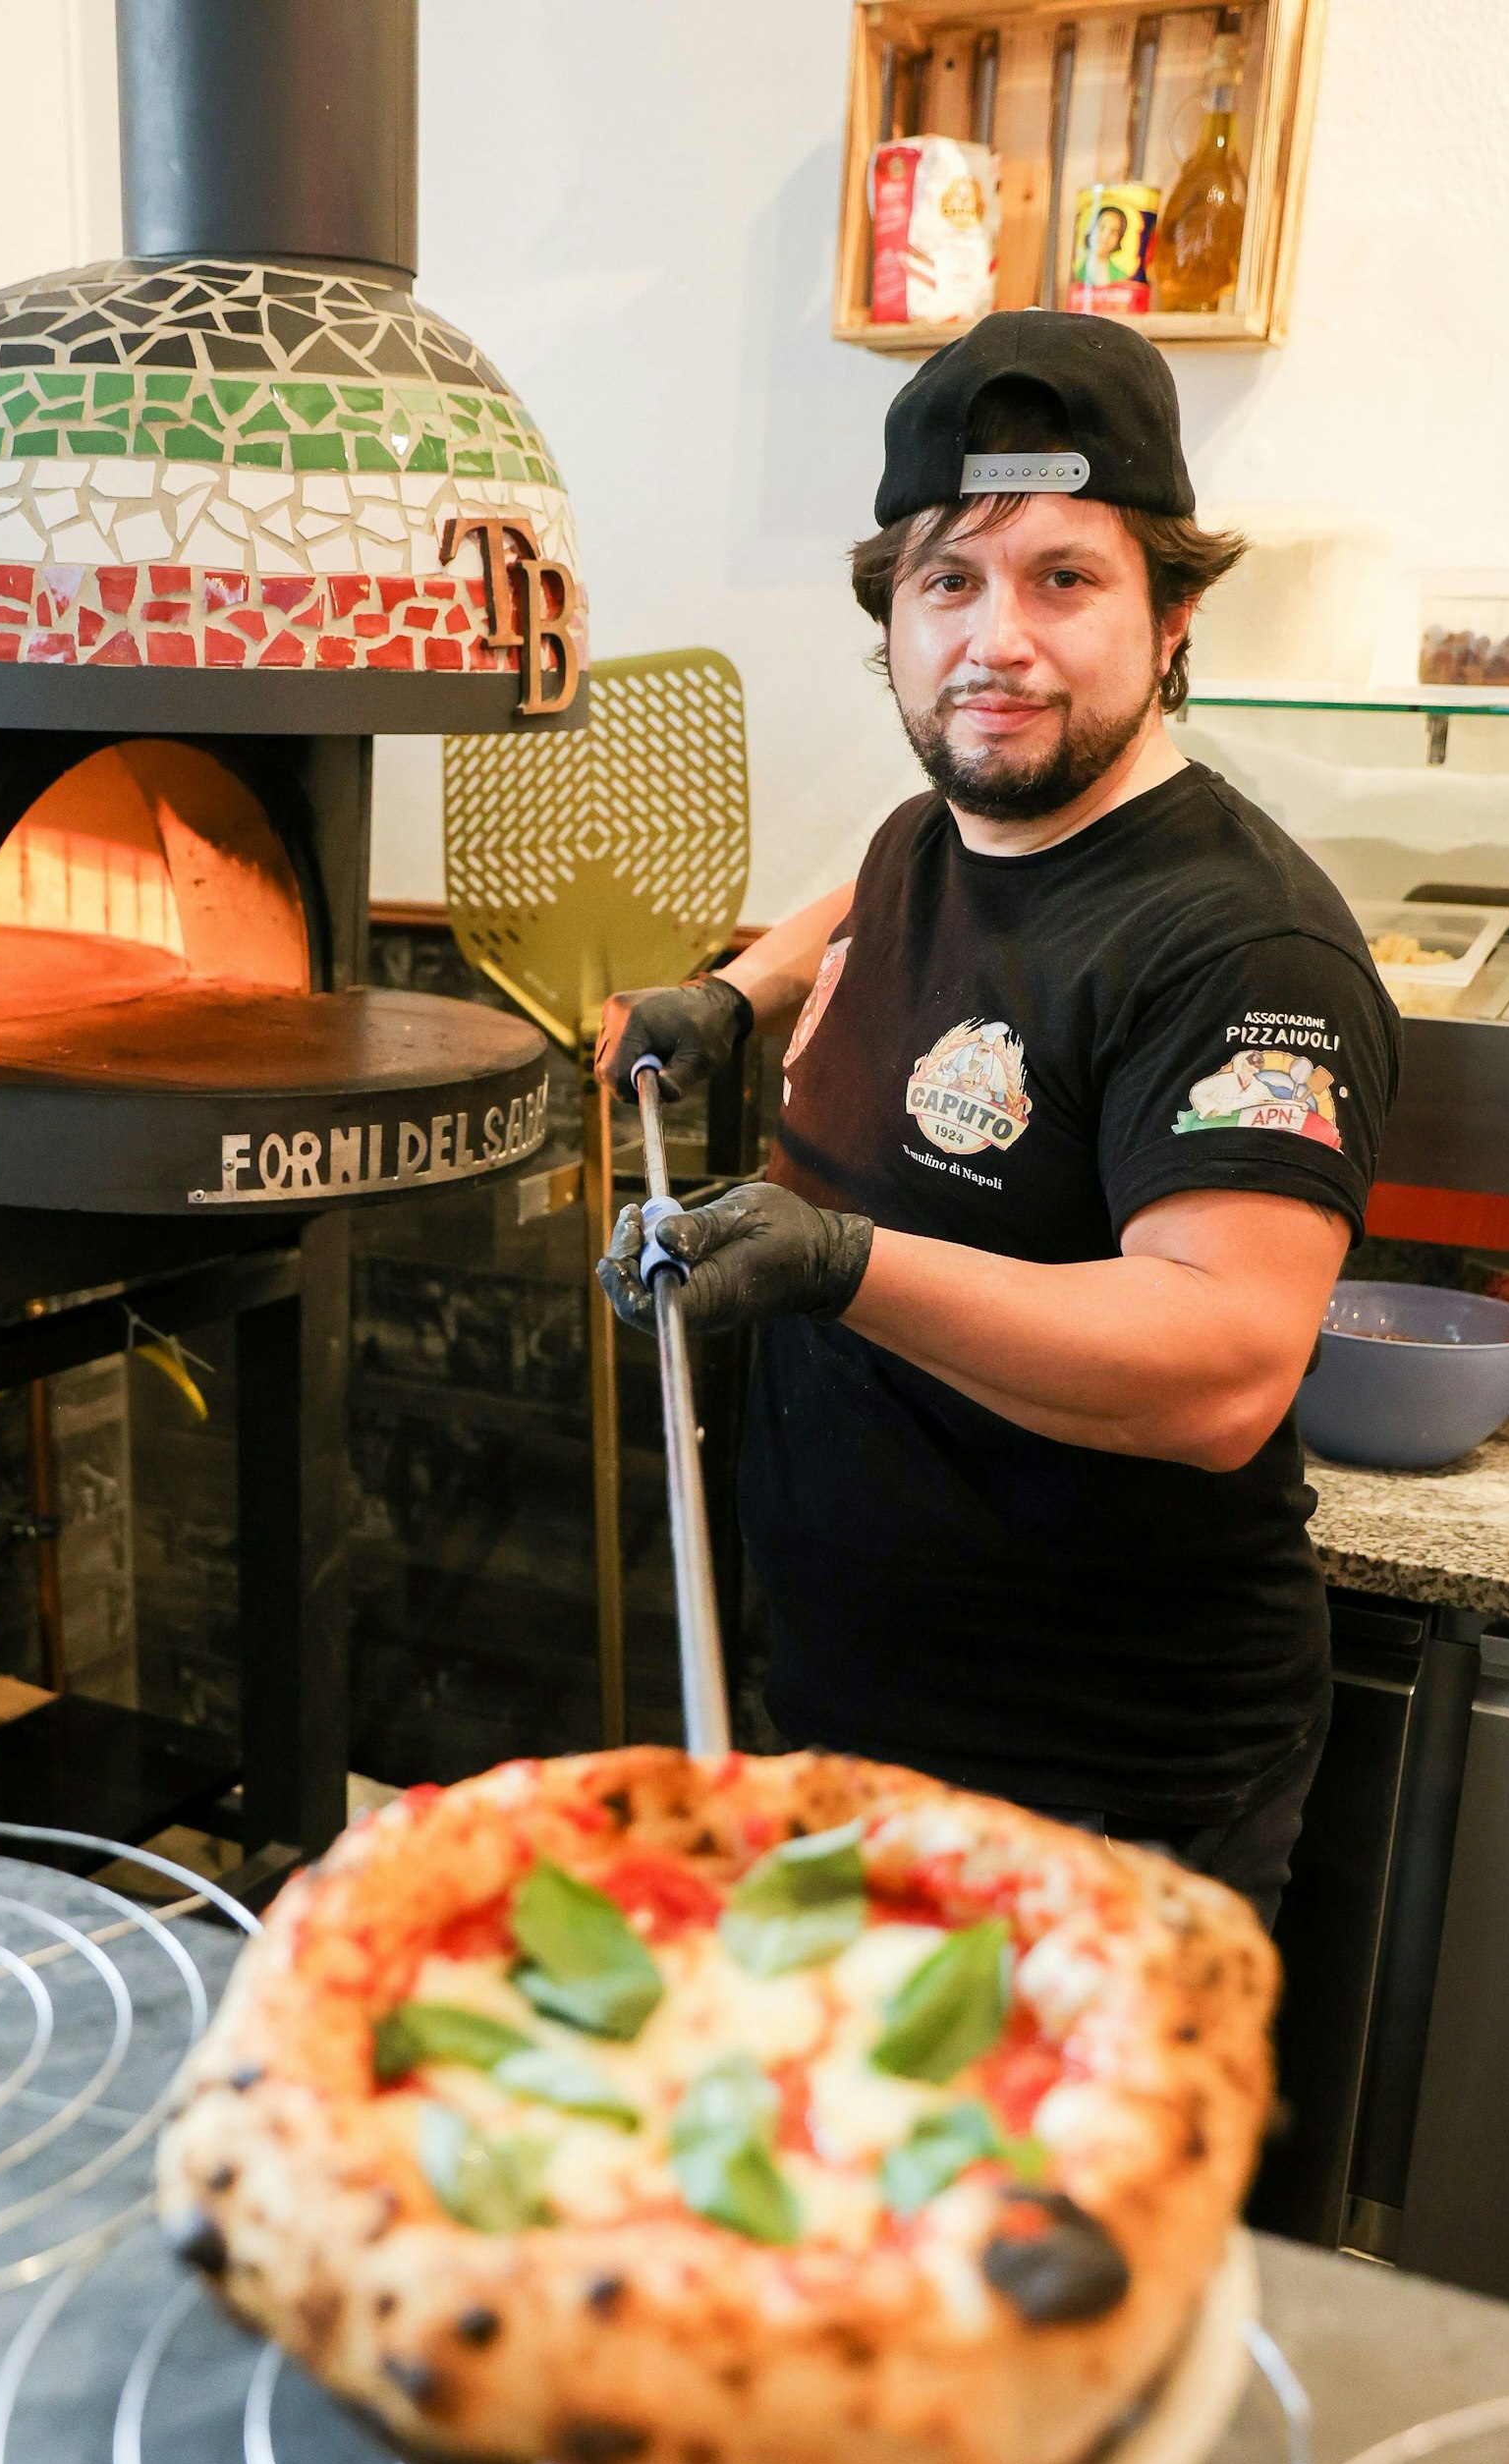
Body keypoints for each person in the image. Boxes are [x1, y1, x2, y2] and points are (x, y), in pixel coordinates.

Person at [595, 310, 1399, 1928]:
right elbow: (881, 888)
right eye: (948, 580)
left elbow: (1225, 1364)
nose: (995, 641)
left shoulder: (1242, 945)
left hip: (1091, 1797)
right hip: (853, 1719)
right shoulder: (937, 827)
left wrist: (842, 1264)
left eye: (1064, 578)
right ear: (890, 615)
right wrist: (740, 993)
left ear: (1172, 615)